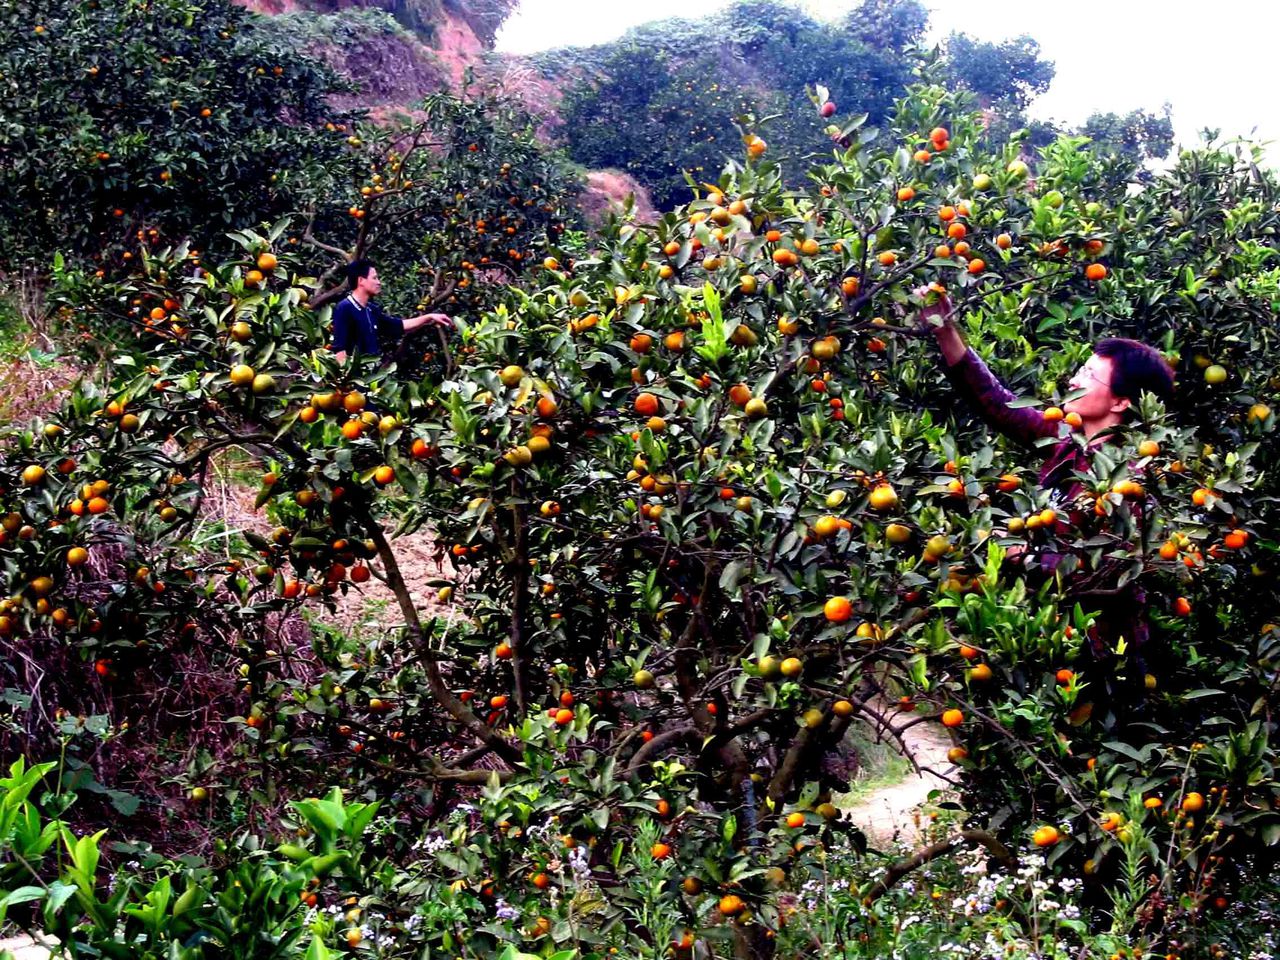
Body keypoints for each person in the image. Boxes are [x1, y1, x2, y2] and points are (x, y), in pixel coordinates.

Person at [918, 287, 1176, 676]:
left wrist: (1029, 557)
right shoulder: (1066, 443)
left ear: (1121, 402)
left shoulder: (1132, 484)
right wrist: (945, 329)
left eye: (1089, 375)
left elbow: (1104, 572)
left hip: (1097, 657)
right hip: (1048, 634)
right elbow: (995, 402)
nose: (1073, 379)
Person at [331, 259, 453, 363]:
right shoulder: (345, 308)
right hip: (354, 382)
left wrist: (429, 317)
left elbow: (398, 325)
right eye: (374, 278)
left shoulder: (371, 310)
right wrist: (345, 382)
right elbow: (340, 350)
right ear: (361, 281)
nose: (379, 282)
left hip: (370, 379)